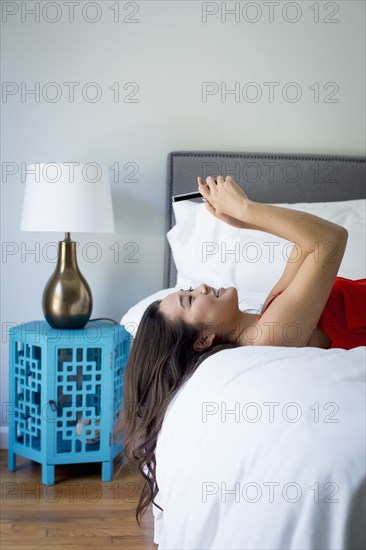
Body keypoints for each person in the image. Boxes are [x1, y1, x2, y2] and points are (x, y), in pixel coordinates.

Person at [114, 175, 366, 524]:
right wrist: (247, 208)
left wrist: (241, 220)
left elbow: (305, 246)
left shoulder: (269, 314)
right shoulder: (269, 337)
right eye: (189, 299)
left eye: (189, 289)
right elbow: (330, 239)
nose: (201, 286)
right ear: (203, 340)